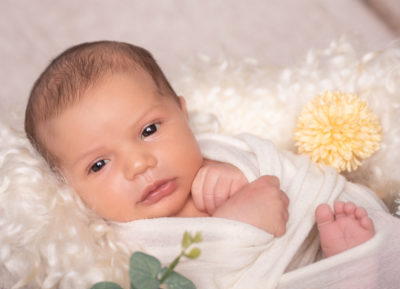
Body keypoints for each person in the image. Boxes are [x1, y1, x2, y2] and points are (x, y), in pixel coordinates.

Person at [24, 40, 374, 259]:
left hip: (313, 244)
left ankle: (343, 256)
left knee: (340, 215)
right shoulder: (122, 250)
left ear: (182, 113)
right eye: (99, 164)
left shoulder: (221, 158)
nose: (139, 164)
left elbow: (285, 171)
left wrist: (243, 173)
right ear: (65, 187)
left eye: (148, 130)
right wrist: (233, 225)